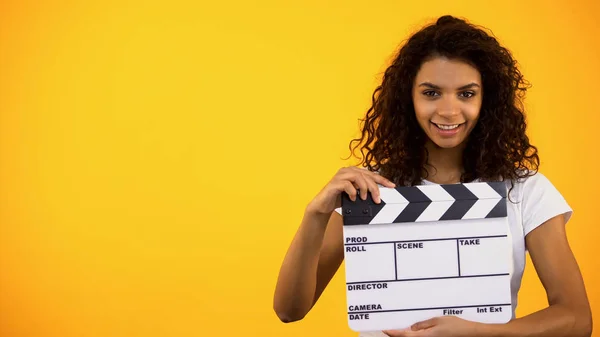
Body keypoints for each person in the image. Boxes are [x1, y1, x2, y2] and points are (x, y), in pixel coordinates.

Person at [272, 15, 592, 337]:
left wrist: (477, 332)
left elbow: (576, 320)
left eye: (466, 94)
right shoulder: (371, 189)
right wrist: (315, 214)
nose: (449, 111)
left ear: (487, 99)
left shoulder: (524, 189)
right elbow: (289, 309)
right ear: (408, 97)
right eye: (431, 93)